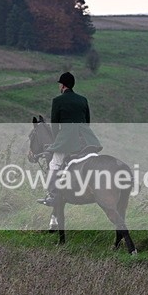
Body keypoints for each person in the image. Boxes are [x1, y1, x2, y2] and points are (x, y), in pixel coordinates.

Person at [38, 71, 102, 207]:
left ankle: (54, 196)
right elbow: (87, 121)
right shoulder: (83, 100)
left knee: (54, 164)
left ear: (62, 86)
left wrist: (57, 141)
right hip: (86, 139)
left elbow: (55, 125)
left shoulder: (57, 101)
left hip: (67, 139)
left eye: (60, 84)